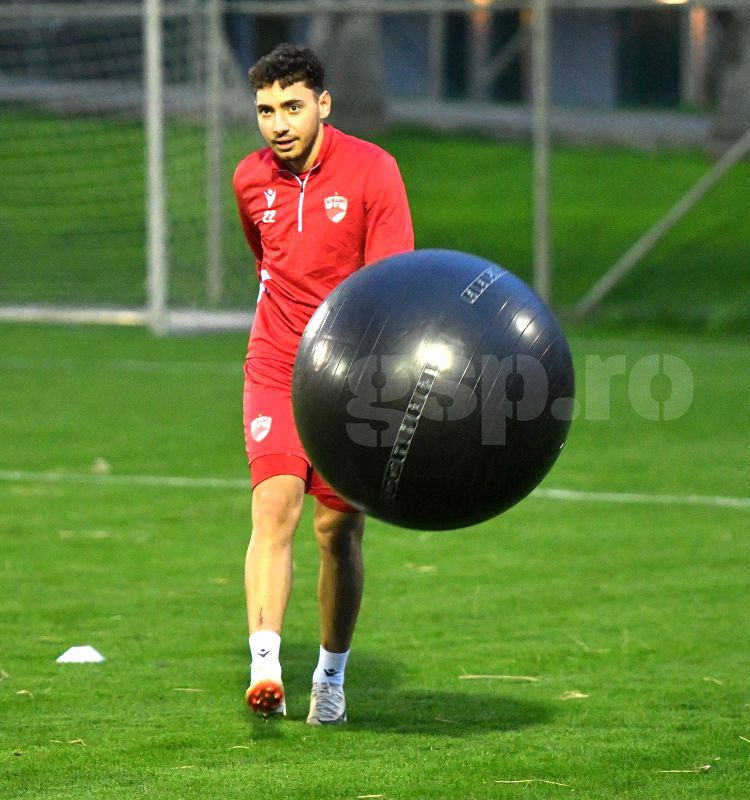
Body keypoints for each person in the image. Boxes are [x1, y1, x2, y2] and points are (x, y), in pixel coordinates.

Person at [231, 43, 414, 724]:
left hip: (354, 377)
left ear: (324, 104)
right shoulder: (250, 181)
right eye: (265, 110)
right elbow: (266, 262)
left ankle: (331, 678)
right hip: (276, 363)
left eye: (291, 107)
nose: (277, 123)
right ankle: (266, 669)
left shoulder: (374, 172)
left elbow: (392, 284)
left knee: (337, 534)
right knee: (274, 505)